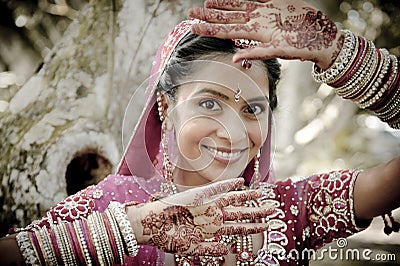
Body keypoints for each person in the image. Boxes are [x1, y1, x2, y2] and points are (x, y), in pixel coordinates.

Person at [1, 0, 400, 265]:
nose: (233, 132)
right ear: (166, 108)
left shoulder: (286, 211)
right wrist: (136, 226)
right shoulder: (110, 206)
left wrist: (337, 50)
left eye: (252, 109)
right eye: (210, 103)